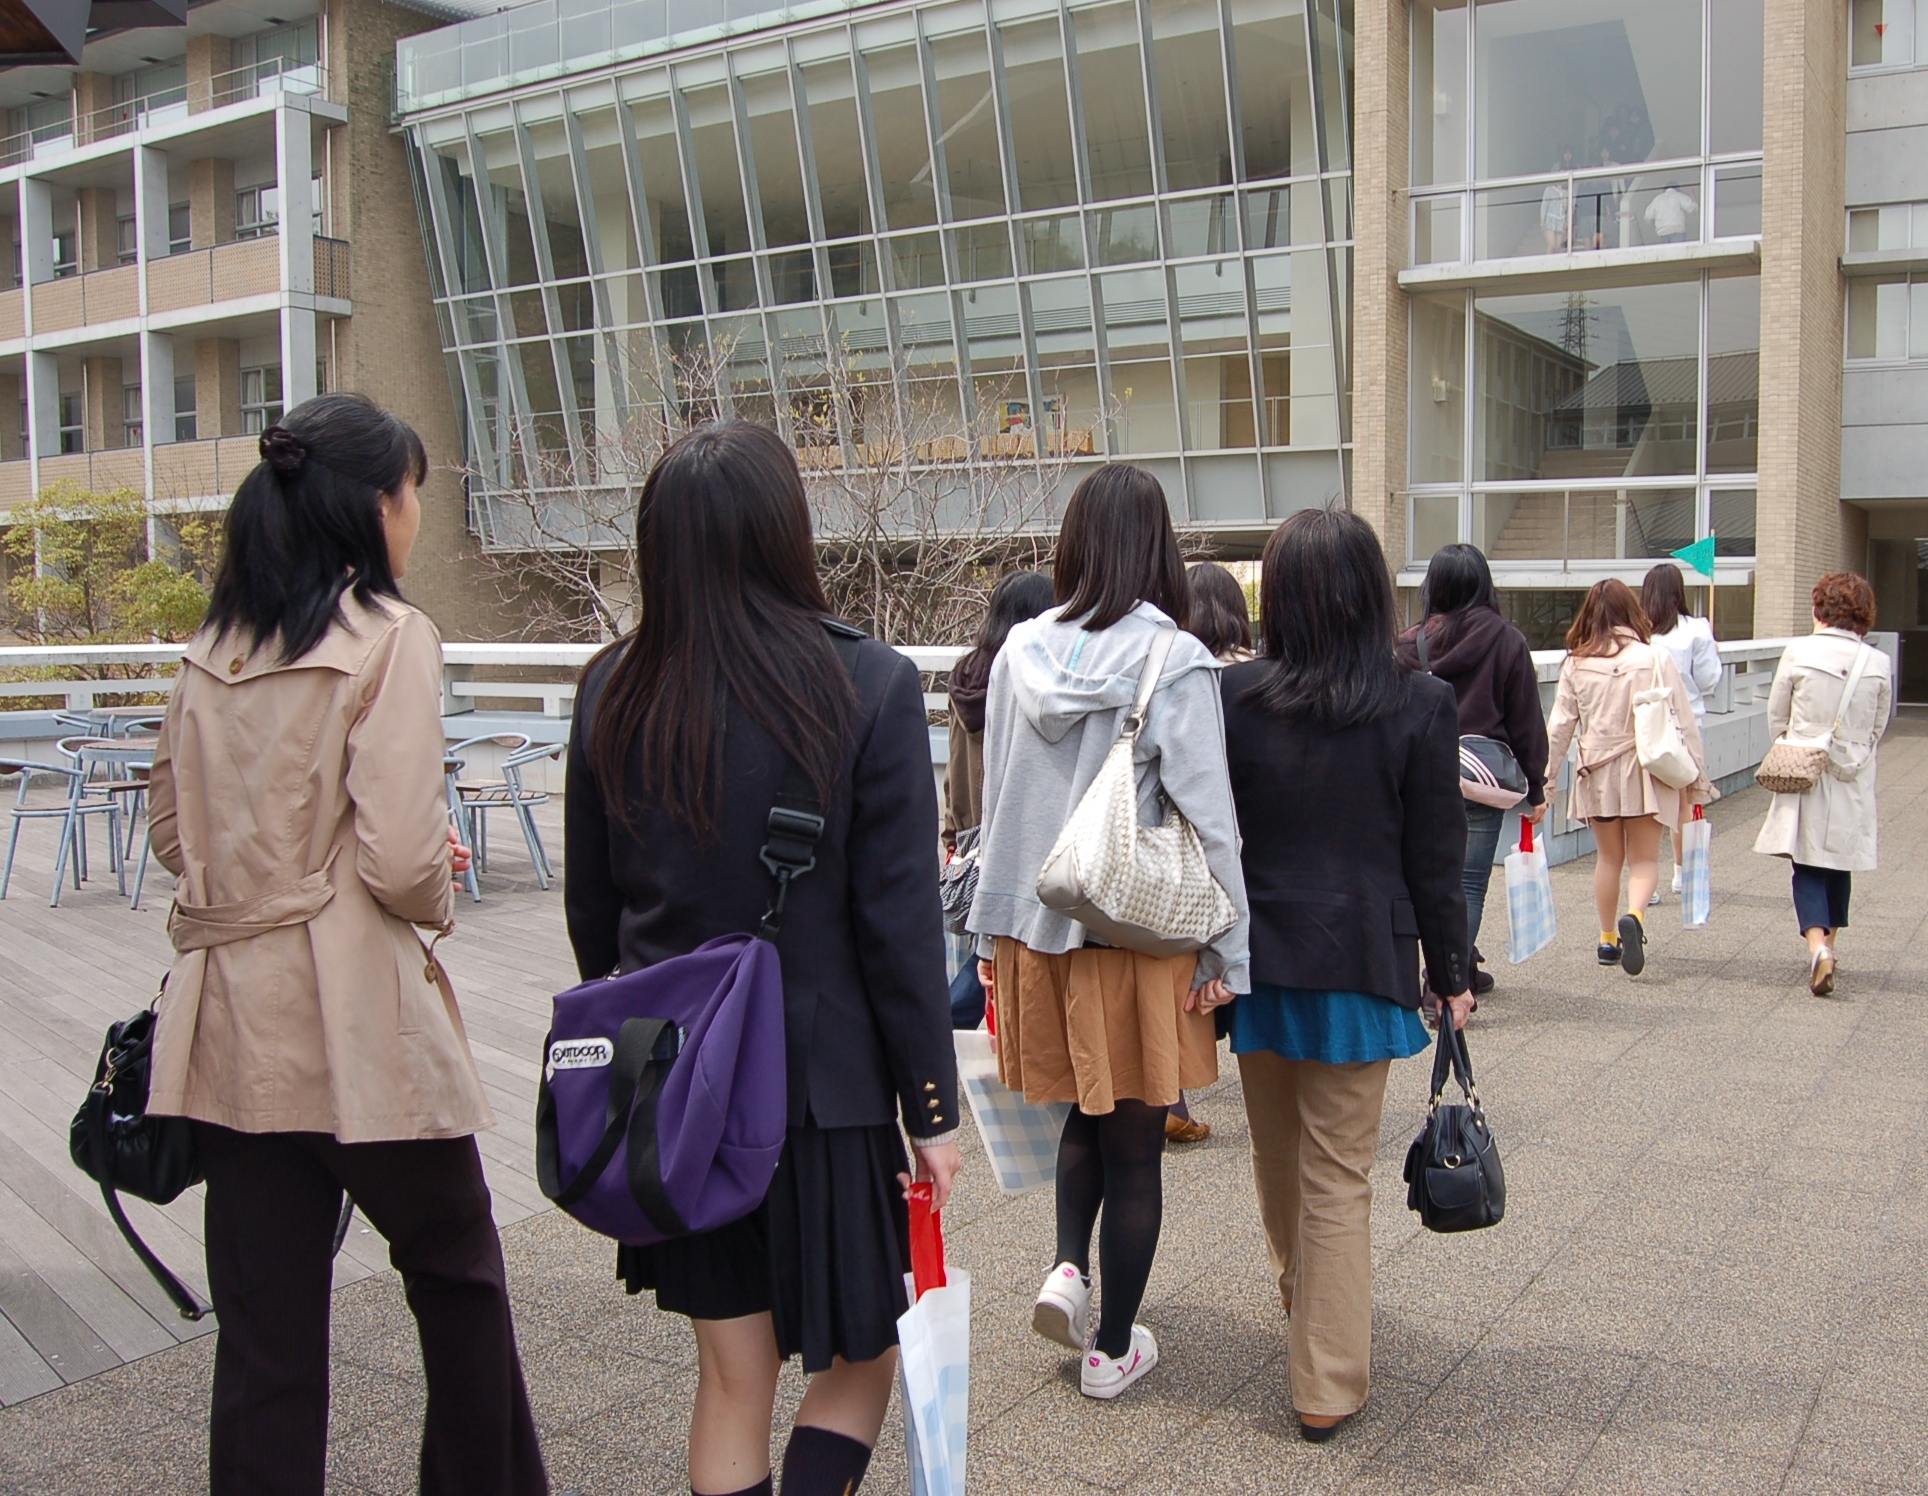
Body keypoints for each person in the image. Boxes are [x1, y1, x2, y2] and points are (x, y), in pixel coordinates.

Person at [144, 395, 548, 1496]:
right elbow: (407, 859)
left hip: (229, 1021)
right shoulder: (389, 636)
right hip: (357, 1020)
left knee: (266, 1336)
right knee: (456, 1275)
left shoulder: (209, 647)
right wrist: (427, 881)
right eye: (413, 492)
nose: (415, 514)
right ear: (376, 505)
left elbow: (175, 835)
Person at [564, 421, 960, 1496]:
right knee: (863, 1355)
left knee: (731, 1375)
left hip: (674, 1094)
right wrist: (931, 1110)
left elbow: (593, 921)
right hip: (819, 1099)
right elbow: (899, 929)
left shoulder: (612, 688)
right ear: (785, 530)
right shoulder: (867, 685)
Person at [969, 463, 1249, 1400]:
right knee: (1135, 1142)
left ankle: (1065, 1267)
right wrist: (1229, 950)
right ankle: (1113, 1348)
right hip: (1133, 930)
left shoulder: (1016, 653)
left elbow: (997, 796)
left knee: (1084, 1113)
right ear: (1160, 546)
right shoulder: (1175, 658)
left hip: (1037, 929)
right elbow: (1212, 818)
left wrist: (985, 933)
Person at [1220, 508, 1475, 1443]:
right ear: (1373, 594)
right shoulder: (1419, 703)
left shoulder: (1233, 696)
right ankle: (1324, 1379)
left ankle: (1307, 1297)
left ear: (1277, 594)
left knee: (1278, 1155)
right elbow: (1432, 860)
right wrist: (1451, 974)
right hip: (1364, 959)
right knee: (1336, 1173)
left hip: (1259, 959)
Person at [1396, 544, 1550, 997]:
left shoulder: (1410, 643)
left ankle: (1452, 967)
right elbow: (1525, 719)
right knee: (1467, 884)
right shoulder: (1506, 640)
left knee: (1417, 877)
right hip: (1482, 782)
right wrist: (1536, 787)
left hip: (1419, 776)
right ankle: (1447, 979)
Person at [1544, 579, 1713, 977]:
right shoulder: (1655, 658)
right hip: (1645, 770)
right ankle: (1634, 917)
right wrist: (1698, 780)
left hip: (1596, 772)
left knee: (1608, 858)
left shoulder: (1575, 664)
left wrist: (1546, 782)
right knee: (1644, 859)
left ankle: (1606, 939)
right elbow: (1685, 725)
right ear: (1631, 612)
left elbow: (1559, 728)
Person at [1752, 573, 1892, 997]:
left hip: (1805, 765)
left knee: (1806, 863)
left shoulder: (1799, 650)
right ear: (1864, 616)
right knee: (1838, 862)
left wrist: (1791, 745)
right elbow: (1877, 726)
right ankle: (1829, 947)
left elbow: (1777, 713)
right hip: (1851, 770)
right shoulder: (1878, 662)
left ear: (1819, 610)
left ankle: (1818, 948)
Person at [943, 569, 1056, 1028]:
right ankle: (943, 1017)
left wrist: (951, 832)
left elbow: (953, 762)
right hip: (1011, 831)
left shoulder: (965, 675)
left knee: (985, 945)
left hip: (968, 833)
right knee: (1001, 951)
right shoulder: (1033, 679)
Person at [1641, 564, 1724, 901]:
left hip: (1643, 725)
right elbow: (1708, 679)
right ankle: (1682, 872)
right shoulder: (1696, 630)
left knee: (1644, 805)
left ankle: (1645, 879)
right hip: (1685, 726)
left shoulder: (1635, 631)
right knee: (1685, 801)